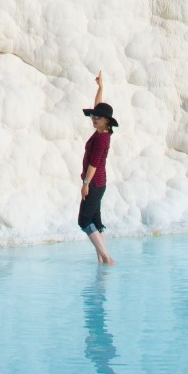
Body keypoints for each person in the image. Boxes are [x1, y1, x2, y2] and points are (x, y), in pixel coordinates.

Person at [79, 73, 117, 265]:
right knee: (95, 220)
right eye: (93, 116)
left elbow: (94, 163)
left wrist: (85, 183)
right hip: (99, 183)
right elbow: (98, 106)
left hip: (94, 183)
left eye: (98, 117)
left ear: (106, 121)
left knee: (84, 221)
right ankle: (102, 262)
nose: (94, 118)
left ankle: (106, 257)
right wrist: (100, 88)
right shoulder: (103, 131)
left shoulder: (101, 139)